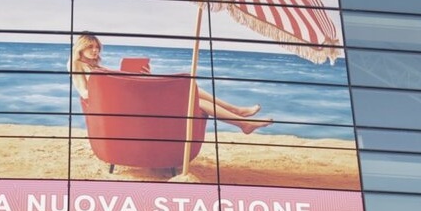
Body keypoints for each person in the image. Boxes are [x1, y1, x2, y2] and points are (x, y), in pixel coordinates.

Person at [69, 33, 273, 133]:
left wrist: (137, 74)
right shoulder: (77, 63)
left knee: (192, 88)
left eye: (97, 47)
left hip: (128, 102)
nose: (95, 50)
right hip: (121, 108)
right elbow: (86, 93)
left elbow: (117, 81)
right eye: (90, 47)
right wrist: (111, 86)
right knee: (197, 102)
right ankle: (242, 122)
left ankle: (238, 112)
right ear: (81, 48)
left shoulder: (96, 67)